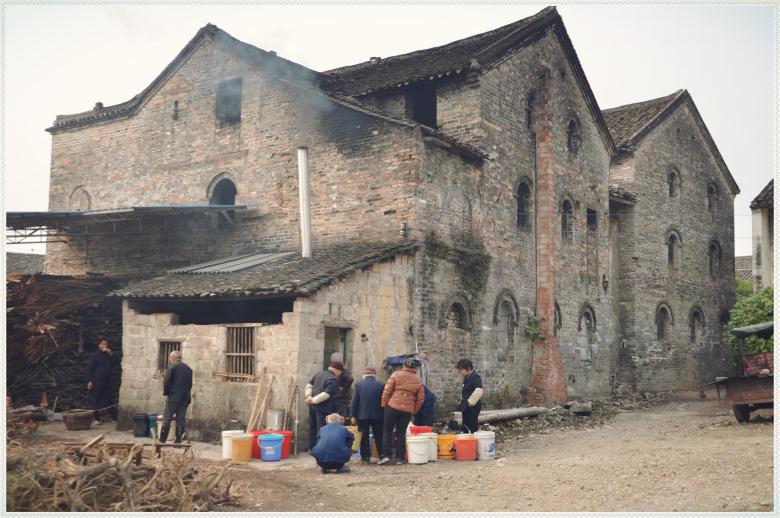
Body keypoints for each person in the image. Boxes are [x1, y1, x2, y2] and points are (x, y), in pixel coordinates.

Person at [378, 357, 424, 465]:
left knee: (387, 431)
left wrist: (384, 403)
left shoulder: (396, 375)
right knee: (401, 433)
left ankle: (386, 456)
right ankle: (400, 458)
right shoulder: (418, 380)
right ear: (414, 368)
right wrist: (414, 409)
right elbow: (421, 398)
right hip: (407, 410)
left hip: (392, 407)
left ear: (404, 365)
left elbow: (387, 390)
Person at [350, 366, 385, 463]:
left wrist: (353, 415)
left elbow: (354, 402)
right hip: (379, 415)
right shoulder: (381, 385)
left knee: (364, 437)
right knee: (379, 436)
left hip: (362, 415)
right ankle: (382, 455)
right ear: (374, 375)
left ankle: (366, 457)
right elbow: (384, 401)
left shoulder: (359, 385)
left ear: (364, 375)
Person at [305, 361, 342, 449]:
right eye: (340, 371)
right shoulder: (333, 379)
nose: (340, 374)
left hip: (312, 407)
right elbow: (326, 394)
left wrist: (309, 396)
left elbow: (309, 384)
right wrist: (312, 400)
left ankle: (312, 447)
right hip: (322, 407)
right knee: (321, 428)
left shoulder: (319, 373)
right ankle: (320, 447)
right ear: (337, 370)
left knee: (313, 427)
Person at [160, 350, 193, 443]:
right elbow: (190, 384)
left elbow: (166, 382)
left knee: (167, 417)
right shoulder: (188, 369)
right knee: (180, 418)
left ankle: (162, 439)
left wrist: (166, 392)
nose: (169, 360)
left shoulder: (172, 367)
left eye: (170, 358)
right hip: (185, 397)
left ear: (173, 358)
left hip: (174, 396)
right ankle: (178, 439)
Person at [87, 339, 117, 424]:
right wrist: (90, 381)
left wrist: (111, 353)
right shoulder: (95, 355)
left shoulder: (108, 355)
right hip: (97, 381)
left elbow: (115, 362)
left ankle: (114, 417)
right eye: (103, 344)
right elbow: (90, 369)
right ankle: (96, 418)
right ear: (99, 345)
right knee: (95, 400)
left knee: (108, 399)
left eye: (106, 344)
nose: (105, 346)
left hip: (106, 381)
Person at [457, 358, 483, 433]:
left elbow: (479, 391)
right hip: (465, 407)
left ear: (468, 368)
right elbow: (464, 392)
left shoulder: (475, 377)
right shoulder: (466, 378)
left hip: (473, 407)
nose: (460, 372)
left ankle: (472, 442)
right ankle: (466, 441)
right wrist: (461, 403)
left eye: (461, 370)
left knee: (472, 426)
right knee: (465, 426)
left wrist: (469, 403)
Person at [329, 352, 354, 419]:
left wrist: (343, 390)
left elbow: (350, 379)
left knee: (341, 418)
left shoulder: (343, 370)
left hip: (342, 399)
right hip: (336, 398)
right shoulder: (335, 368)